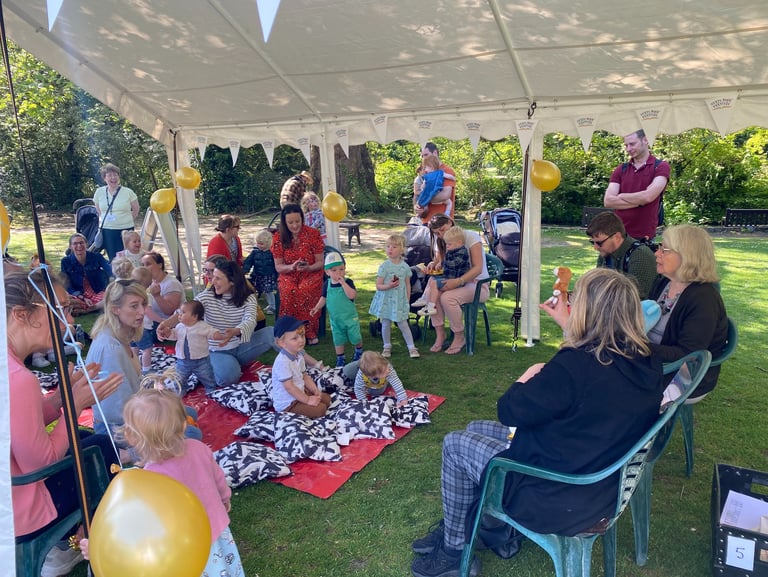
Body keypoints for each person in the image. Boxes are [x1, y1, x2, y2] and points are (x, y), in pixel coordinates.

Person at [410, 269, 664, 577]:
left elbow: (510, 410)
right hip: (597, 479)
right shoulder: (646, 359)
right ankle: (486, 528)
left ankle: (452, 551)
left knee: (454, 444)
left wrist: (525, 377)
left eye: (576, 300)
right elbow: (585, 386)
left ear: (588, 309)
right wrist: (571, 335)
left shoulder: (575, 366)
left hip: (557, 494)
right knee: (476, 428)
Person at [7, 270, 123, 577]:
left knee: (88, 440)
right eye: (58, 309)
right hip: (21, 512)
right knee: (100, 448)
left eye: (68, 309)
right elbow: (38, 464)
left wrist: (60, 399)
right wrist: (74, 406)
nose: (69, 321)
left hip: (10, 495)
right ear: (21, 314)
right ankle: (75, 545)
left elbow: (19, 424)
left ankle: (73, 541)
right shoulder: (18, 379)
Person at [80, 389, 245, 576]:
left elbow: (139, 524)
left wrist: (98, 547)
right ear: (184, 425)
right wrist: (224, 498)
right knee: (223, 567)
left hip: (184, 543)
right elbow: (218, 478)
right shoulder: (199, 448)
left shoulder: (150, 478)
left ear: (130, 436)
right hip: (217, 528)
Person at [158, 260, 276, 387]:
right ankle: (207, 367)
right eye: (213, 276)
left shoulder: (248, 297)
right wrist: (165, 324)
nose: (212, 281)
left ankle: (297, 364)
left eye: (218, 278)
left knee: (273, 332)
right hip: (216, 350)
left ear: (232, 281)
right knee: (228, 378)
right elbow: (183, 312)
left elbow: (250, 319)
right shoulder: (206, 297)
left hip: (240, 346)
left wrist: (236, 331)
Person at [647, 225, 728, 401]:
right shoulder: (664, 282)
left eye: (664, 249)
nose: (656, 254)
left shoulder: (703, 299)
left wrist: (637, 347)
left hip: (683, 376)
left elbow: (688, 354)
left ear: (687, 257)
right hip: (653, 361)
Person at [86, 279, 148, 439]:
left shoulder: (119, 335)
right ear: (115, 309)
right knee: (187, 430)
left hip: (131, 417)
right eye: (134, 306)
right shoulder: (109, 349)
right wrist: (154, 413)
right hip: (117, 430)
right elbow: (116, 409)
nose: (142, 312)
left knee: (184, 413)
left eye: (143, 304)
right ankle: (127, 456)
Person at [425, 214, 489, 355]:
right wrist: (434, 264)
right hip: (456, 281)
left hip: (478, 284)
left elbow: (478, 268)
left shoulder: (470, 236)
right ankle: (440, 334)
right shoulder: (442, 240)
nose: (441, 235)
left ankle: (459, 336)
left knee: (447, 298)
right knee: (432, 293)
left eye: (442, 229)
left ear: (450, 222)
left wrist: (459, 281)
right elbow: (439, 261)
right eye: (437, 233)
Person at [271, 204, 325, 345]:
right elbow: (278, 266)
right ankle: (289, 332)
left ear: (302, 219)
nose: (295, 226)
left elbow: (320, 262)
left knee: (305, 290)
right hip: (289, 274)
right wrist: (291, 267)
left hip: (311, 273)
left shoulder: (313, 234)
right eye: (290, 222)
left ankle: (309, 332)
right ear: (285, 222)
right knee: (289, 291)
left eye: (297, 221)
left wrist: (309, 267)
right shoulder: (278, 238)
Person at [603, 129, 670, 241]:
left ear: (645, 140)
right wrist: (641, 201)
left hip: (645, 238)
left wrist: (621, 196)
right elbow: (608, 201)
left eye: (632, 144)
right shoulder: (621, 169)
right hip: (617, 235)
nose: (628, 149)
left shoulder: (660, 167)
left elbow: (648, 196)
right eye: (626, 145)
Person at [586, 211, 658, 299]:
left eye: (599, 243)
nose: (595, 247)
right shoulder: (605, 252)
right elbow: (597, 287)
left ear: (617, 237)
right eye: (592, 242)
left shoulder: (640, 256)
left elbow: (635, 298)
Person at [369, 234, 420, 359]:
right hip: (386, 300)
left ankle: (412, 347)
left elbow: (408, 285)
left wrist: (407, 299)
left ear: (402, 250)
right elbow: (378, 285)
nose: (390, 249)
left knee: (403, 323)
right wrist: (389, 286)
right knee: (385, 323)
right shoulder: (384, 266)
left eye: (394, 247)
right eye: (388, 246)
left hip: (399, 301)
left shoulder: (405, 267)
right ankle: (387, 346)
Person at [271, 316, 332, 418]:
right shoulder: (282, 362)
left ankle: (308, 401)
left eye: (302, 335)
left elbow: (304, 376)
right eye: (295, 338)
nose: (301, 340)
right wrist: (308, 400)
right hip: (288, 403)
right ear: (282, 343)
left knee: (326, 399)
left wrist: (314, 390)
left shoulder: (298, 354)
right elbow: (289, 388)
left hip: (300, 393)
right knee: (320, 410)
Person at [310, 251, 363, 367]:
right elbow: (323, 297)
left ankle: (359, 351)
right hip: (335, 319)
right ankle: (340, 357)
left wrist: (344, 284)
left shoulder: (348, 282)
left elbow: (352, 296)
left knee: (355, 336)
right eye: (334, 270)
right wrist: (316, 307)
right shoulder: (327, 284)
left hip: (350, 317)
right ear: (327, 272)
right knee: (338, 339)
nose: (338, 272)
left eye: (341, 269)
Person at [138, 251, 185, 373]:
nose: (145, 268)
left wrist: (157, 296)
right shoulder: (147, 283)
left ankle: (145, 366)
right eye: (142, 265)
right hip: (154, 320)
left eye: (148, 264)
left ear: (160, 265)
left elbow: (169, 311)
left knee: (140, 332)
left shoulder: (171, 284)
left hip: (168, 322)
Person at [163, 300, 222, 395]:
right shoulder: (179, 326)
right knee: (179, 378)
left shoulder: (202, 326)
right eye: (180, 312)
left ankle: (210, 388)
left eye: (183, 312)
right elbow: (174, 336)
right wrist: (168, 333)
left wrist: (216, 335)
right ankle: (181, 390)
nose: (180, 315)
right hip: (182, 361)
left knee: (207, 376)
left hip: (201, 361)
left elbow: (211, 332)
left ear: (194, 317)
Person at [413, 226, 470, 317]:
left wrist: (442, 263)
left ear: (459, 243)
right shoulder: (451, 251)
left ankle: (431, 307)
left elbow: (454, 264)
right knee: (432, 279)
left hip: (455, 281)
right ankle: (424, 298)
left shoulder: (462, 252)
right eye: (446, 244)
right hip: (449, 276)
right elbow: (446, 265)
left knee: (435, 284)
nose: (447, 246)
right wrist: (439, 265)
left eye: (449, 244)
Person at [93, 163, 140, 261]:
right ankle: (116, 276)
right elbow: (99, 210)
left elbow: (136, 209)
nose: (113, 178)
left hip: (126, 230)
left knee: (129, 258)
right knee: (114, 258)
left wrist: (125, 220)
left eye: (115, 175)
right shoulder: (99, 192)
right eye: (109, 175)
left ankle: (130, 276)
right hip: (107, 230)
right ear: (104, 178)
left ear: (119, 177)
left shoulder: (128, 192)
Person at [60, 233, 113, 315]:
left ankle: (88, 309)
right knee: (65, 301)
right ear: (70, 246)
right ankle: (96, 306)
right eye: (75, 243)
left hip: (98, 292)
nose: (79, 245)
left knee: (113, 297)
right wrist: (82, 297)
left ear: (86, 244)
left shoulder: (96, 257)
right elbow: (66, 284)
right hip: (79, 295)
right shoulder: (65, 261)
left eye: (81, 243)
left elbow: (110, 271)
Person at [418, 143, 456, 223]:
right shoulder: (425, 171)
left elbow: (445, 195)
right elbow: (418, 193)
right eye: (422, 156)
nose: (424, 158)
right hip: (426, 220)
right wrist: (417, 206)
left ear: (435, 153)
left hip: (441, 223)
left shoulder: (447, 171)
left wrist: (425, 198)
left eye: (426, 154)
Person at [243, 229, 278, 314]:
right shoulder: (255, 252)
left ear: (268, 244)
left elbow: (276, 264)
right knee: (261, 290)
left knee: (268, 291)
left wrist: (277, 274)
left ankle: (273, 306)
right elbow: (248, 262)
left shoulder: (272, 253)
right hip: (258, 275)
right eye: (258, 243)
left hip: (269, 275)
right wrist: (244, 270)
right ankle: (268, 305)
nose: (259, 245)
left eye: (261, 244)